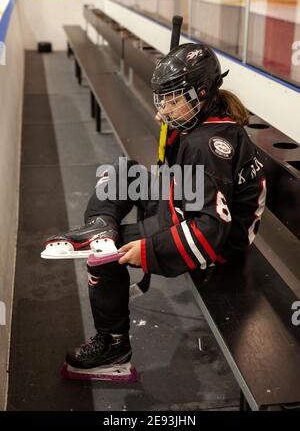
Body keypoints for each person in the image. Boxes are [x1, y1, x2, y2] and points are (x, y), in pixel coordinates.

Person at [42, 43, 266, 382]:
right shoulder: (203, 121)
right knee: (124, 173)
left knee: (107, 258)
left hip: (216, 243)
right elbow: (186, 182)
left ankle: (113, 349)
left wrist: (148, 252)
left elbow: (209, 232)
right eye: (162, 98)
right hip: (188, 204)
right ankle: (101, 225)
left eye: (172, 99)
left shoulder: (206, 144)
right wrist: (173, 126)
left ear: (201, 93)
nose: (163, 108)